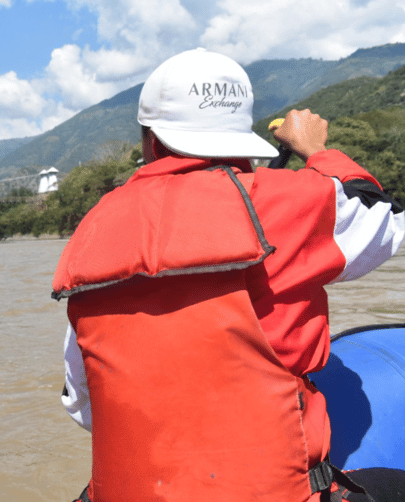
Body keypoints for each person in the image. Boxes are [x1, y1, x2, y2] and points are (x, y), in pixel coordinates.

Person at [51, 48, 405, 502]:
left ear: (150, 141)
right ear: (242, 135)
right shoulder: (292, 203)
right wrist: (318, 152)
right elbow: (385, 222)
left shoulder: (94, 229)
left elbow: (82, 404)